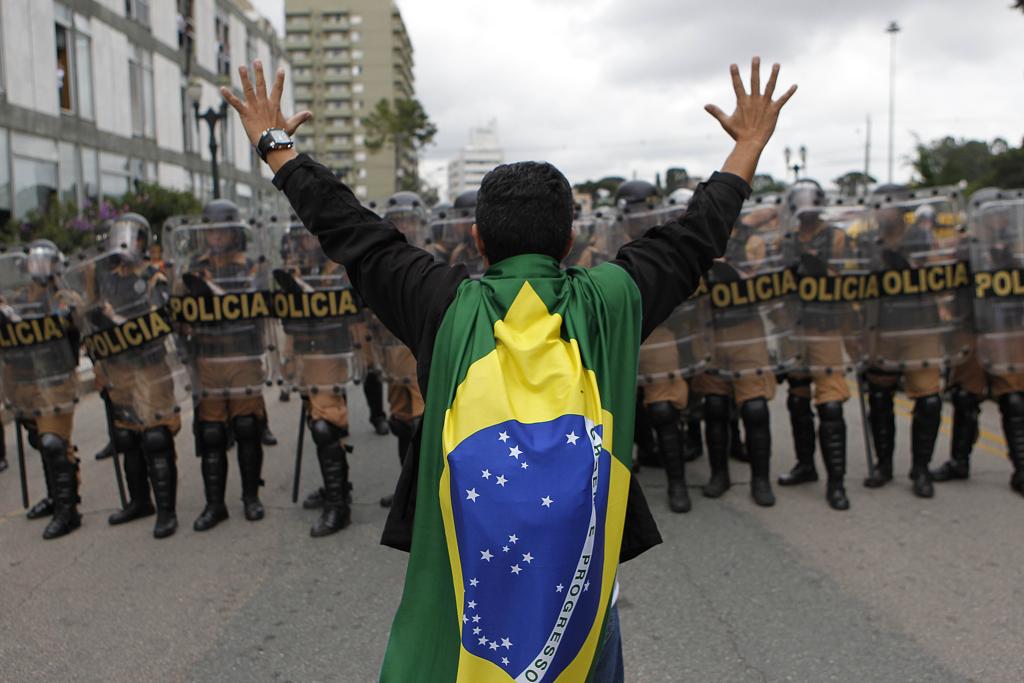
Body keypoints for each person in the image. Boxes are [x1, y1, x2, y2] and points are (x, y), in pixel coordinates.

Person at [222, 55, 795, 682]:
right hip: (582, 566)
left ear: (476, 239)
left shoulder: (438, 303)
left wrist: (276, 148)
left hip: (465, 553)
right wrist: (746, 147)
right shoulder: (611, 301)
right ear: (569, 239)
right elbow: (695, 237)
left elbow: (352, 230)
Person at [64, 214, 188, 538]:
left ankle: (167, 511)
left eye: (132, 237)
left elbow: (162, 320)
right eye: (120, 236)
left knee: (155, 437)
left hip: (149, 366)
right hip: (117, 366)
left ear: (144, 242)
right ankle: (138, 501)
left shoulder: (152, 277)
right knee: (127, 437)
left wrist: (116, 320)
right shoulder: (103, 277)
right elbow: (88, 320)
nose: (125, 244)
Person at [166, 199, 274, 530]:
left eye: (222, 229)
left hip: (242, 357)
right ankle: (215, 505)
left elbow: (268, 308)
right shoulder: (194, 270)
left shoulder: (252, 268)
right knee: (211, 434)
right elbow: (176, 313)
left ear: (234, 232)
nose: (216, 236)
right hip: (208, 360)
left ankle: (250, 497)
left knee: (246, 427)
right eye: (211, 229)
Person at [692, 199, 798, 507]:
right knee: (714, 405)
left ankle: (760, 479)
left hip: (746, 328)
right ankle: (719, 474)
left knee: (754, 407)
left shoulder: (752, 241)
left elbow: (764, 279)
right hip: (712, 330)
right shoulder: (700, 241)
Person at [862, 188, 968, 498]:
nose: (881, 213)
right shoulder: (869, 245)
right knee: (879, 398)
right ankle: (883, 465)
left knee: (929, 400)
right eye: (878, 207)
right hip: (882, 329)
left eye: (887, 207)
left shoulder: (922, 240)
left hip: (920, 327)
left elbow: (941, 279)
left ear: (900, 210)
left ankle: (921, 469)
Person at [932, 190, 1024, 496]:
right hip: (971, 330)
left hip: (1005, 332)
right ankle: (960, 461)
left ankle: (1021, 468)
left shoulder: (1013, 250)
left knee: (1013, 397)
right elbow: (952, 287)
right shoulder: (965, 249)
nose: (998, 220)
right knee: (964, 398)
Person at [276, 221, 359, 535]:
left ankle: (339, 506)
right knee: (317, 421)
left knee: (327, 426)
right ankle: (337, 488)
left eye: (311, 234)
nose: (306, 241)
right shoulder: (294, 269)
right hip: (303, 353)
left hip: (329, 352)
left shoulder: (338, 269)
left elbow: (353, 311)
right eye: (301, 236)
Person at [777, 180, 854, 510]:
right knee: (797, 400)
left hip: (825, 327)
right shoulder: (787, 241)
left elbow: (853, 279)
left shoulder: (837, 237)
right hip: (796, 327)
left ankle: (836, 482)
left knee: (831, 403)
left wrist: (823, 271)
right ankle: (805, 465)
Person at [0, 240, 83, 539]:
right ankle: (54, 497)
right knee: (38, 439)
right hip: (25, 381)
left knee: (54, 443)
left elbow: (77, 317)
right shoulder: (20, 296)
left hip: (56, 379)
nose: (38, 268)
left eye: (43, 262)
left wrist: (67, 311)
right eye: (33, 262)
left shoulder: (63, 295)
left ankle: (68, 511)